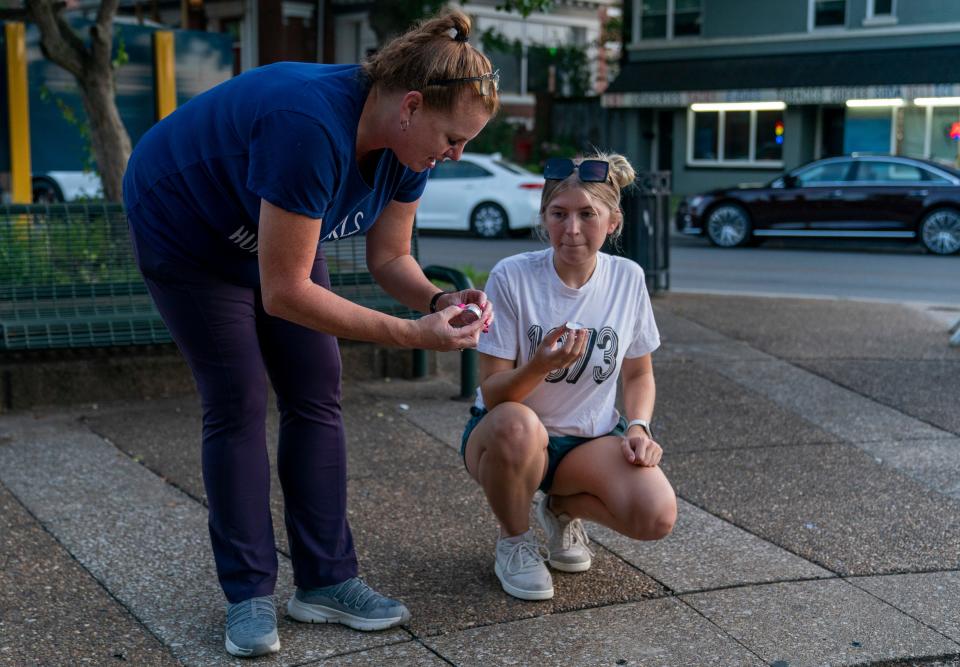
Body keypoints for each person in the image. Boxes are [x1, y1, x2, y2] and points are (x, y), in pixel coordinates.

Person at [122, 10, 498, 658]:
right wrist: (414, 336)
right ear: (411, 104)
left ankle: (326, 580)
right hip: (184, 229)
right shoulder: (309, 124)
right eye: (454, 137)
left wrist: (438, 298)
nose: (456, 154)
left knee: (317, 386)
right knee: (238, 396)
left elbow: (389, 259)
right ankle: (247, 594)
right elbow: (286, 291)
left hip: (273, 233)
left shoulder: (408, 149)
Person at [460, 152, 677, 601]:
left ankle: (559, 508)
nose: (572, 229)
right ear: (544, 217)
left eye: (587, 214)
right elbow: (493, 393)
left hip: (587, 442)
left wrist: (638, 426)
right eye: (558, 214)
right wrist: (541, 366)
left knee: (655, 515)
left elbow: (638, 373)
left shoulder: (628, 279)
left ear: (613, 221)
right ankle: (514, 542)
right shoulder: (513, 276)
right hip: (505, 438)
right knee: (518, 424)